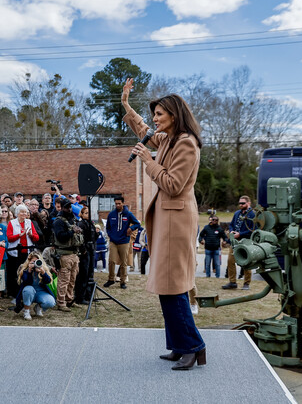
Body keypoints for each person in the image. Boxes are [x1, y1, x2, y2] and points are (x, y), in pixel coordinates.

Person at [122, 77, 206, 370]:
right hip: (166, 221)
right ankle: (179, 345)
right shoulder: (168, 138)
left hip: (177, 221)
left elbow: (173, 184)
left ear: (174, 115)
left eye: (159, 114)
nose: (154, 119)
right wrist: (125, 105)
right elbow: (144, 130)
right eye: (154, 114)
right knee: (167, 286)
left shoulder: (186, 144)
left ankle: (193, 347)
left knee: (174, 287)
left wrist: (149, 160)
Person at [52, 198, 83, 311]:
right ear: (62, 208)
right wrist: (72, 232)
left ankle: (69, 300)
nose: (69, 209)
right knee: (64, 280)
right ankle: (61, 303)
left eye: (70, 207)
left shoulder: (72, 220)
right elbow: (60, 236)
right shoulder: (58, 221)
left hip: (74, 254)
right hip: (64, 255)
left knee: (72, 280)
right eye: (66, 207)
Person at [103, 197, 141, 289]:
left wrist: (131, 228)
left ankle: (123, 281)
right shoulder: (111, 214)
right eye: (116, 204)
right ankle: (111, 279)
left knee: (123, 263)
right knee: (111, 261)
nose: (117, 205)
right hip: (113, 241)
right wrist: (111, 236)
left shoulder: (128, 214)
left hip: (124, 241)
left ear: (123, 203)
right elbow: (108, 227)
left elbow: (137, 224)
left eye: (119, 203)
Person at [6, 205, 39, 302]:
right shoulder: (12, 223)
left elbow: (37, 238)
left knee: (25, 273)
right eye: (22, 212)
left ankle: (25, 293)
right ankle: (14, 294)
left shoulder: (29, 222)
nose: (24, 214)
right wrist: (19, 235)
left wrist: (30, 235)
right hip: (15, 253)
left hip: (27, 253)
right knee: (15, 274)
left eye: (25, 212)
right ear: (17, 213)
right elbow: (9, 237)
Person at [222, 196, 255, 290]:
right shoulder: (237, 213)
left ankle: (246, 283)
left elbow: (253, 230)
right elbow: (232, 224)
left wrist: (240, 234)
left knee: (246, 262)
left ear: (248, 203)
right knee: (230, 261)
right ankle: (232, 282)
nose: (240, 205)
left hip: (246, 241)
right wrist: (232, 232)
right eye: (239, 203)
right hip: (235, 241)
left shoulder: (253, 215)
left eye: (243, 203)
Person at [14, 251, 56, 320]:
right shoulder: (24, 269)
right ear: (29, 261)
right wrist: (29, 271)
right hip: (29, 292)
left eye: (37, 261)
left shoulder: (43, 268)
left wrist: (43, 273)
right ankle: (26, 311)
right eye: (33, 261)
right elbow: (26, 282)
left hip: (40, 292)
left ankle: (38, 307)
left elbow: (48, 281)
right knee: (28, 289)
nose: (35, 263)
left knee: (51, 302)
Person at [75, 206, 97, 305]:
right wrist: (83, 250)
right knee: (83, 274)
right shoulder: (81, 224)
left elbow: (93, 237)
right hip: (85, 252)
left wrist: (97, 233)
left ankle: (89, 295)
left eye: (89, 212)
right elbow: (80, 239)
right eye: (86, 213)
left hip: (91, 250)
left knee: (90, 274)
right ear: (82, 214)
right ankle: (80, 296)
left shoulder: (91, 223)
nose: (88, 214)